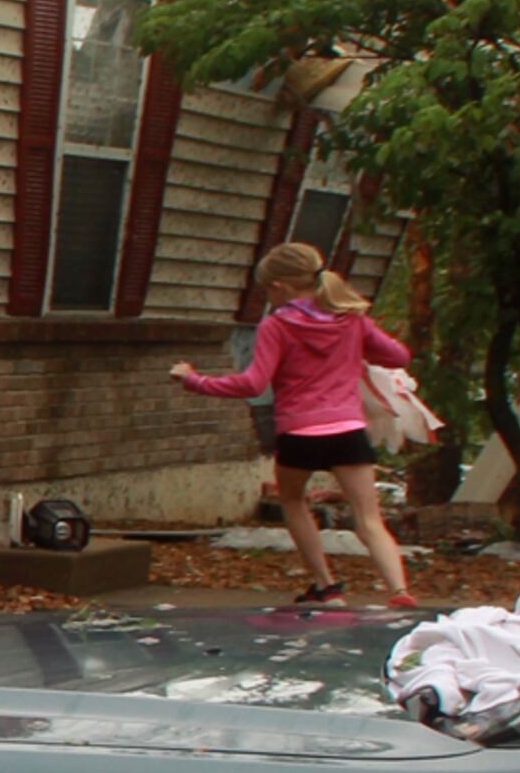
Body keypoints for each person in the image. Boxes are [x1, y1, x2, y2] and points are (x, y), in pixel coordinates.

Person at [173, 245, 416, 608]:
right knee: (368, 517)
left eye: (268, 289)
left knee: (291, 500)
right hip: (348, 430)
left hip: (299, 433)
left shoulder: (277, 325)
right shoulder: (351, 320)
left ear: (282, 287)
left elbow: (253, 384)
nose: (268, 297)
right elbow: (399, 357)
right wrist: (356, 352)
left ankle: (326, 584)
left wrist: (194, 380)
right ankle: (399, 590)